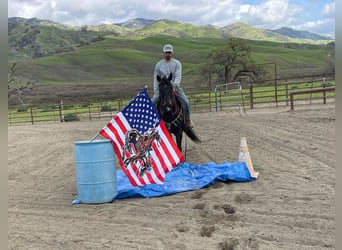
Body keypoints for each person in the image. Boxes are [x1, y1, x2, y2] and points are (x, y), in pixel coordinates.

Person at [152, 44, 193, 129]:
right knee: (152, 102)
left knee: (186, 102)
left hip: (175, 86)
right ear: (163, 53)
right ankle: (152, 121)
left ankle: (188, 120)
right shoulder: (159, 65)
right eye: (166, 52)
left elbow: (178, 77)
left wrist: (174, 87)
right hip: (163, 88)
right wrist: (156, 91)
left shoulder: (177, 63)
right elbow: (156, 79)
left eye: (169, 52)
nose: (168, 54)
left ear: (172, 53)